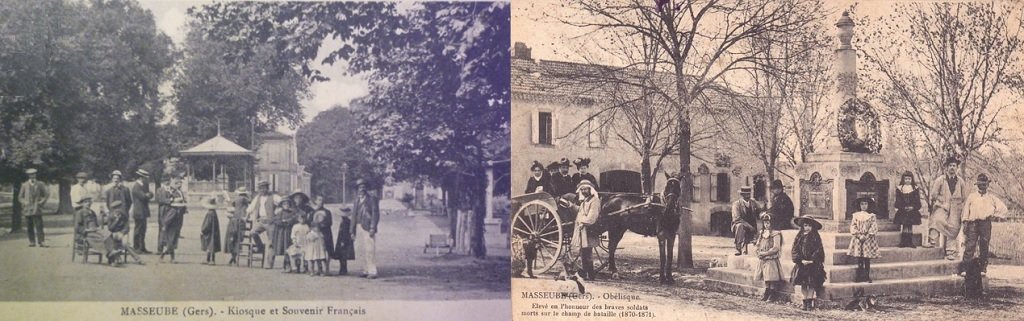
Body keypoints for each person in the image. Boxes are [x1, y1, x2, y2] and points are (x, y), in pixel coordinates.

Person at [960, 173, 1007, 276]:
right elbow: (966, 210)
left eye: (984, 184)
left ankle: (983, 269)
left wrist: (994, 215)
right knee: (970, 245)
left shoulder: (991, 198)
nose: (982, 186)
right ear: (977, 185)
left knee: (984, 245)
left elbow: (1003, 209)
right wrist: (965, 222)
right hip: (973, 223)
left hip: (985, 223)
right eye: (980, 184)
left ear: (987, 185)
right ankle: (965, 268)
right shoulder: (972, 197)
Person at [928, 157, 966, 260]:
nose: (952, 168)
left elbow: (963, 197)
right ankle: (932, 244)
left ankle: (950, 251)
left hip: (955, 209)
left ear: (957, 168)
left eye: (954, 166)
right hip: (942, 206)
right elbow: (934, 194)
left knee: (952, 228)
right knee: (936, 221)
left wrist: (957, 205)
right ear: (946, 167)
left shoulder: (960, 182)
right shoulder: (940, 180)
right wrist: (942, 201)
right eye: (950, 166)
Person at [563, 180, 600, 281]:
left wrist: (582, 222)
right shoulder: (586, 200)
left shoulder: (595, 200)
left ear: (590, 189)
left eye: (585, 189)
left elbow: (592, 217)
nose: (584, 191)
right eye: (582, 189)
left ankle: (590, 275)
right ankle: (586, 273)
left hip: (589, 229)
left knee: (587, 253)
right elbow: (581, 211)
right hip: (582, 229)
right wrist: (571, 206)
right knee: (584, 252)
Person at [791, 216, 826, 310]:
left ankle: (810, 301)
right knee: (803, 284)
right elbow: (795, 249)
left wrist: (812, 260)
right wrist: (800, 260)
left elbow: (819, 249)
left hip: (812, 265)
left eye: (810, 226)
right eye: (805, 225)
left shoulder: (815, 237)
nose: (807, 228)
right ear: (802, 226)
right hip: (802, 264)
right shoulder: (799, 237)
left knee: (811, 283)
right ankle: (805, 301)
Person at [351, 179, 381, 279]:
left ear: (366, 188)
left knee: (369, 249)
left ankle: (372, 271)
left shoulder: (371, 199)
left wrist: (373, 227)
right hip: (358, 226)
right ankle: (365, 269)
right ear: (357, 189)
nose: (362, 189)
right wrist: (352, 230)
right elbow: (354, 215)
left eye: (363, 187)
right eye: (360, 187)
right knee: (360, 249)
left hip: (367, 227)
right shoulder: (356, 200)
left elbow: (375, 214)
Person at [247, 181, 281, 264]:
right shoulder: (257, 197)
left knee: (271, 242)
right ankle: (260, 247)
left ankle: (269, 263)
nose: (262, 190)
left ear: (267, 188)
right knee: (252, 232)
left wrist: (277, 213)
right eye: (260, 188)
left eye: (264, 187)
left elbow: (282, 204)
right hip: (261, 221)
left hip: (271, 222)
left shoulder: (274, 197)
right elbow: (251, 207)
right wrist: (247, 215)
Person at [753, 212, 784, 302]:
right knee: (766, 276)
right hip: (763, 258)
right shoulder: (762, 233)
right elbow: (758, 244)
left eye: (768, 223)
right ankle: (767, 291)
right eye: (765, 223)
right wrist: (758, 251)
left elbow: (776, 247)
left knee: (771, 276)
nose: (766, 225)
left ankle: (772, 293)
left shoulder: (775, 234)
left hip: (771, 258)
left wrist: (766, 253)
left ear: (772, 223)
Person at [74, 197, 116, 262]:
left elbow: (96, 224)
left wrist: (106, 218)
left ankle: (112, 251)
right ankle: (108, 254)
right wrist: (86, 230)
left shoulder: (92, 212)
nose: (88, 203)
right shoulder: (80, 213)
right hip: (86, 233)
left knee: (108, 233)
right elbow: (77, 227)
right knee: (94, 237)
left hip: (95, 230)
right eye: (85, 202)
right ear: (82, 204)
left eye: (89, 202)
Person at [849, 197, 880, 283]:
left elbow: (874, 227)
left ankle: (867, 276)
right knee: (860, 259)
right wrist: (858, 235)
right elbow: (853, 226)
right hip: (858, 239)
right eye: (862, 204)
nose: (864, 206)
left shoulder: (872, 216)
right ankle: (859, 276)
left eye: (865, 204)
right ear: (859, 205)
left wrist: (867, 236)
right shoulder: (855, 215)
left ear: (868, 205)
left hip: (868, 239)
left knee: (867, 258)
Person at [158, 178, 187, 263]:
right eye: (178, 184)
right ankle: (167, 256)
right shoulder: (167, 191)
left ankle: (166, 256)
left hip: (178, 216)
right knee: (170, 238)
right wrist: (173, 200)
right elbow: (165, 202)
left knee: (173, 238)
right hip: (171, 215)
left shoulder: (179, 192)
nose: (180, 185)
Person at [107, 199, 144, 266]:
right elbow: (110, 228)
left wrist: (122, 233)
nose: (118, 210)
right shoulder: (111, 216)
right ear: (113, 209)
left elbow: (127, 226)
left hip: (123, 233)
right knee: (114, 243)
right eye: (116, 209)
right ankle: (118, 259)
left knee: (125, 244)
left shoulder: (124, 215)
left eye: (119, 208)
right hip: (114, 233)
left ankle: (137, 258)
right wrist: (116, 220)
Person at [19, 168, 48, 247]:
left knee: (39, 225)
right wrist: (24, 202)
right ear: (28, 176)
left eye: (34, 174)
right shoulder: (24, 185)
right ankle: (32, 241)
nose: (32, 176)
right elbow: (20, 197)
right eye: (30, 175)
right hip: (27, 209)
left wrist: (41, 202)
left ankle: (41, 241)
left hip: (37, 208)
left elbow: (45, 195)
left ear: (36, 175)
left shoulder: (40, 184)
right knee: (29, 226)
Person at [894, 171, 923, 248]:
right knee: (904, 226)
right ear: (903, 179)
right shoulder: (900, 189)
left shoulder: (915, 189)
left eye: (909, 179)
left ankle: (910, 242)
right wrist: (903, 207)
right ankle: (903, 242)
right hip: (903, 210)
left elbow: (917, 201)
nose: (907, 180)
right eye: (906, 179)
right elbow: (898, 200)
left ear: (912, 179)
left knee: (909, 226)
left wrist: (912, 207)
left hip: (912, 211)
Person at [269, 199, 298, 271]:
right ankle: (281, 264)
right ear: (282, 205)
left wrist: (288, 221)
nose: (286, 206)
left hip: (288, 232)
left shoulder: (292, 213)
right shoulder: (280, 213)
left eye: (287, 204)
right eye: (284, 204)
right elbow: (275, 220)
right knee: (281, 247)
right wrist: (282, 222)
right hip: (280, 233)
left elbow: (294, 219)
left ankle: (288, 264)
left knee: (288, 247)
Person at [129, 169, 153, 253]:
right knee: (138, 230)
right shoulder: (136, 186)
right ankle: (136, 247)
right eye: (145, 178)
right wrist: (148, 195)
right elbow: (144, 197)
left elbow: (150, 194)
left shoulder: (143, 185)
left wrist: (148, 195)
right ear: (141, 178)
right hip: (139, 211)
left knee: (143, 230)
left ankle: (142, 247)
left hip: (143, 211)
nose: (147, 179)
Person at [731, 186, 760, 256]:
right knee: (740, 226)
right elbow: (737, 219)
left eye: (749, 194)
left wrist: (761, 213)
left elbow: (759, 211)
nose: (748, 196)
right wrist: (749, 226)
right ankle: (738, 247)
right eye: (745, 194)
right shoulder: (736, 204)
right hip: (739, 225)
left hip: (752, 225)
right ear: (742, 195)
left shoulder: (753, 203)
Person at [310, 195, 335, 273]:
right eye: (319, 200)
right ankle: (319, 268)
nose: (320, 202)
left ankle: (327, 268)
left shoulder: (327, 212)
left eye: (322, 200)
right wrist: (314, 226)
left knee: (328, 249)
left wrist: (321, 224)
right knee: (318, 249)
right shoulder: (313, 212)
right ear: (316, 201)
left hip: (326, 232)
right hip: (317, 233)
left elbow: (329, 222)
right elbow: (310, 223)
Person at [105, 170, 132, 236]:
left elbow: (129, 202)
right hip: (113, 214)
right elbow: (108, 203)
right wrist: (112, 212)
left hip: (123, 213)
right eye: (114, 178)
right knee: (113, 229)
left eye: (117, 178)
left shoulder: (125, 189)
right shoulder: (109, 191)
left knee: (124, 232)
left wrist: (125, 211)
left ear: (120, 179)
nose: (116, 180)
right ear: (112, 179)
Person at [332, 208, 355, 276]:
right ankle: (343, 269)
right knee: (342, 256)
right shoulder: (347, 221)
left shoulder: (345, 222)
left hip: (343, 240)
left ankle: (343, 270)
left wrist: (343, 241)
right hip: (344, 240)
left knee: (342, 256)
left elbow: (344, 232)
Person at [200, 198, 222, 265]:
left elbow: (207, 224)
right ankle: (209, 259)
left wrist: (203, 230)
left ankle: (211, 259)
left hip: (209, 232)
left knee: (210, 245)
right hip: (214, 231)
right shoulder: (214, 213)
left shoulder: (209, 213)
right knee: (211, 245)